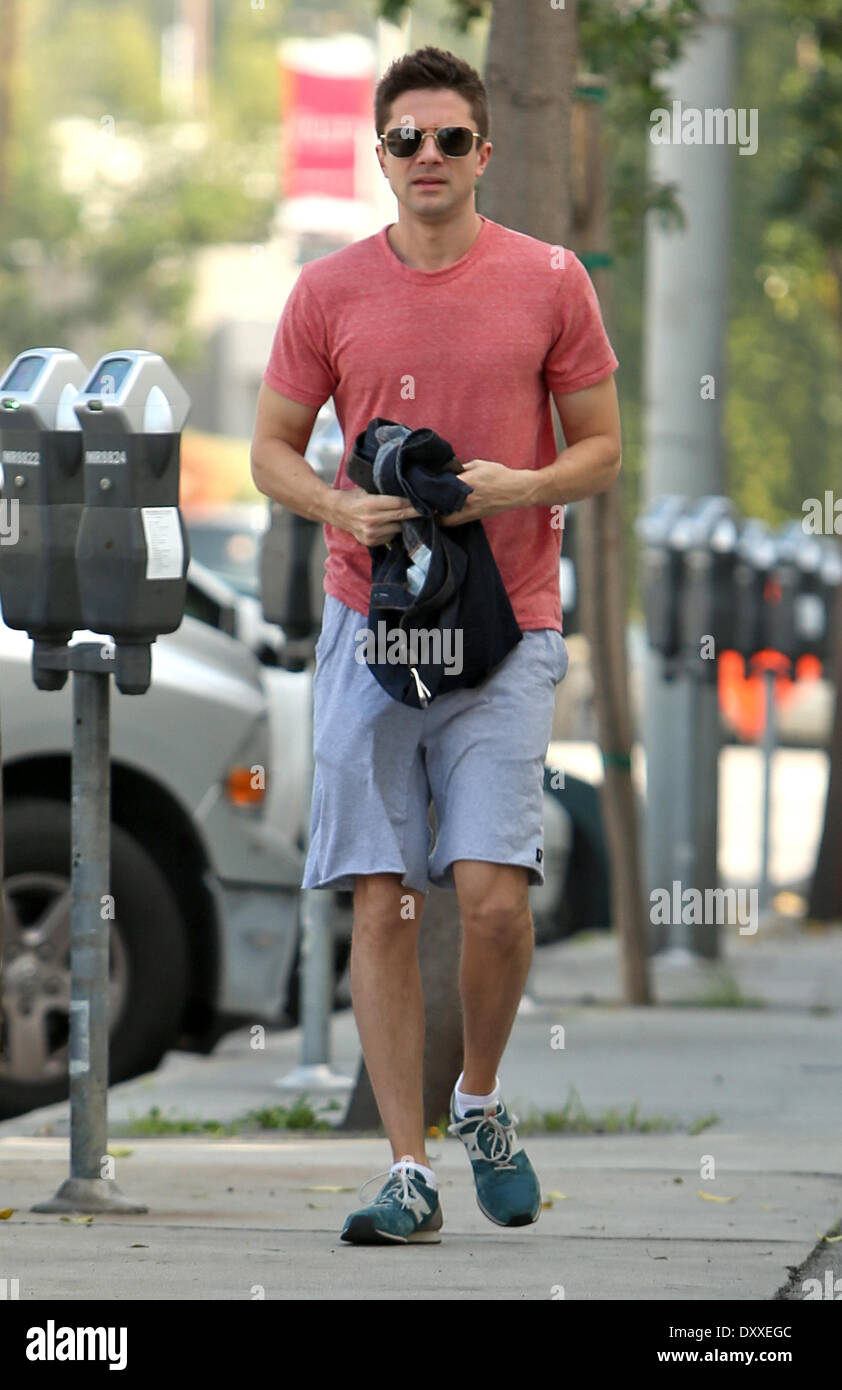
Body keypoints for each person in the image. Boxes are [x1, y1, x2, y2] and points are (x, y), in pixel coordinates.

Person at [250, 45, 621, 1245]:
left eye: (448, 139)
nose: (426, 157)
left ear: (482, 153)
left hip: (508, 625)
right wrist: (334, 506)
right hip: (371, 624)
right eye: (404, 139)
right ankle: (406, 1171)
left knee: (493, 898)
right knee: (383, 902)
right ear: (378, 152)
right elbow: (269, 445)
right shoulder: (326, 291)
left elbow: (602, 450)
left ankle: (479, 1101)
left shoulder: (550, 280)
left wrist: (519, 484)